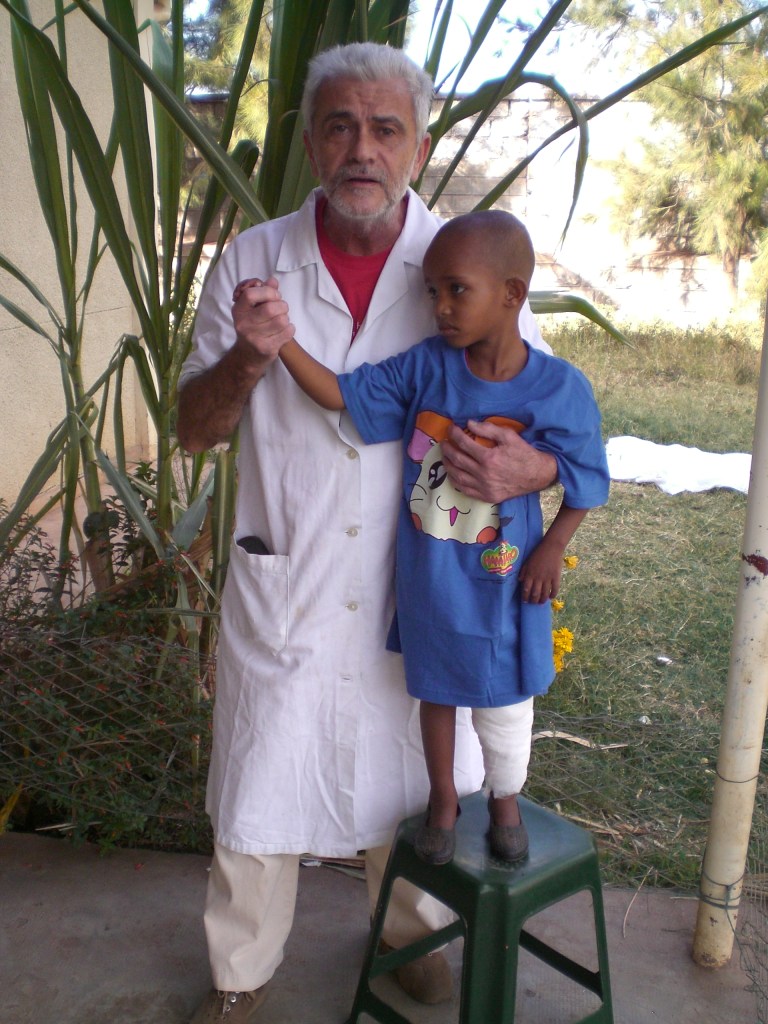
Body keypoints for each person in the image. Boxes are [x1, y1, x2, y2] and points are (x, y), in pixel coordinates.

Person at [177, 42, 558, 1024]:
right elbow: (194, 429)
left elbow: (553, 415)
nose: (363, 149)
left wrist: (532, 470)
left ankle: (411, 936)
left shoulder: (466, 261)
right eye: (340, 126)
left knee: (416, 776)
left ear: (418, 148)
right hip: (292, 574)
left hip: (426, 584)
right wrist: (249, 361)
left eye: (386, 129)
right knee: (260, 778)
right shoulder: (252, 261)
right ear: (311, 143)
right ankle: (239, 972)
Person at [261, 209, 609, 868]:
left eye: (457, 289)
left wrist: (553, 547)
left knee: (507, 699)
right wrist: (280, 340)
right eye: (432, 291)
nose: (440, 307)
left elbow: (588, 477)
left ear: (511, 293)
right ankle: (444, 799)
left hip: (508, 581)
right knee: (437, 689)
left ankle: (505, 800)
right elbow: (338, 394)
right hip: (433, 578)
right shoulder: (426, 369)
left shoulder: (558, 389)